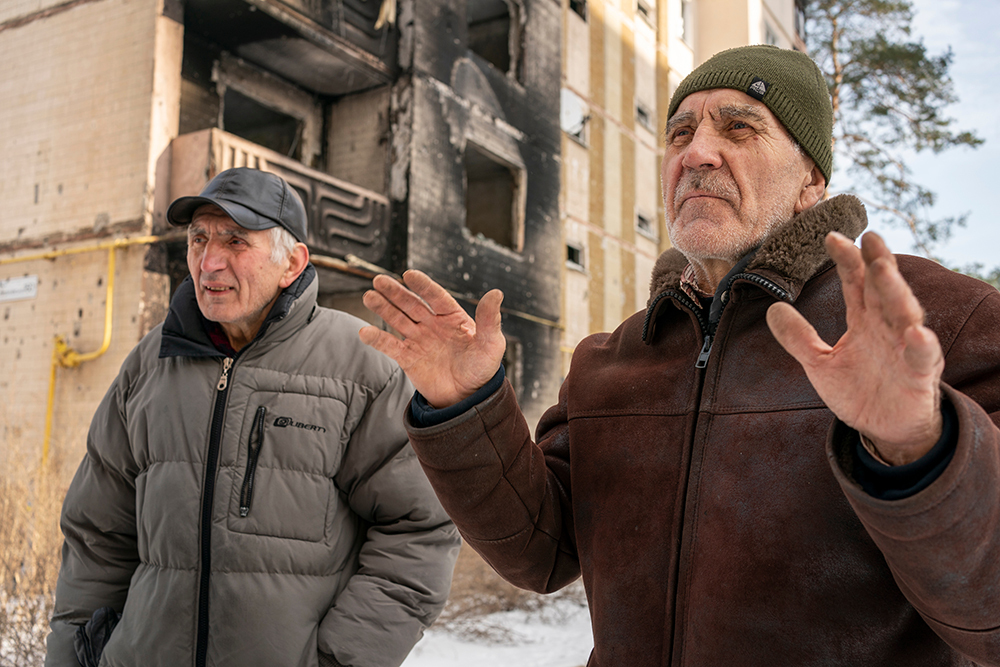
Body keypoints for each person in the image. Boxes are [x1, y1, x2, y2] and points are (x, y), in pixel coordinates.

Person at [359, 45, 1000, 666]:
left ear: (811, 179)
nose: (695, 153)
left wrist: (919, 448)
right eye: (679, 133)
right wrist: (466, 405)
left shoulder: (936, 324)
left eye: (740, 127)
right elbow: (540, 552)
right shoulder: (609, 361)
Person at [46, 167, 460, 667]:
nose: (208, 262)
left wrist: (340, 660)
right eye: (198, 239)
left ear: (292, 263)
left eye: (235, 241)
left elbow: (419, 530)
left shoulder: (361, 367)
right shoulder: (150, 362)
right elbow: (97, 535)